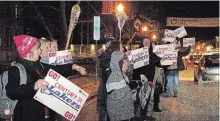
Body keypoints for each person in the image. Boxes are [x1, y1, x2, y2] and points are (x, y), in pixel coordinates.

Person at [5, 35, 49, 121]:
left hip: (41, 113)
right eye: (38, 49)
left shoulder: (38, 65)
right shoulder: (16, 69)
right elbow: (11, 92)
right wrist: (34, 86)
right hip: (25, 115)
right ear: (29, 51)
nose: (40, 51)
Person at [133, 37, 161, 121]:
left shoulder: (152, 55)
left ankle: (144, 117)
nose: (146, 43)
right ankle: (136, 117)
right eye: (144, 41)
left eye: (148, 42)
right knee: (137, 100)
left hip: (149, 81)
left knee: (146, 100)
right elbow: (134, 67)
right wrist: (136, 79)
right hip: (139, 80)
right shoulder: (138, 53)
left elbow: (159, 63)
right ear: (142, 43)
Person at [105, 40, 135, 121]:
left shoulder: (122, 74)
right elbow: (118, 96)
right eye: (121, 47)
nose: (123, 48)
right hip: (118, 115)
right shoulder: (113, 78)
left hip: (124, 113)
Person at [96, 37, 116, 121]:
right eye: (108, 43)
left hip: (114, 83)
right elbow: (99, 70)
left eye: (112, 43)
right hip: (104, 83)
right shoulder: (102, 54)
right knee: (102, 104)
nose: (110, 45)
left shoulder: (117, 55)